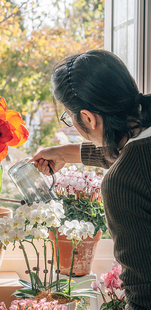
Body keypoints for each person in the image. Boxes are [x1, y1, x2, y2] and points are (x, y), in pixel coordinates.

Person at [31, 50, 151, 310]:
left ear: (88, 118)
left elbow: (145, 296)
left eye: (70, 118)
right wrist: (65, 153)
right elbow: (137, 155)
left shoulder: (122, 183)